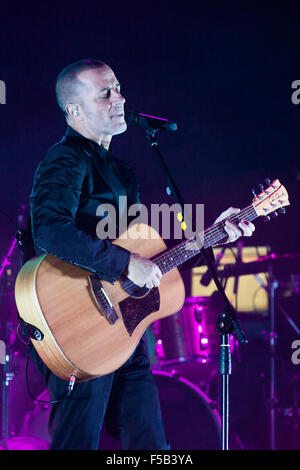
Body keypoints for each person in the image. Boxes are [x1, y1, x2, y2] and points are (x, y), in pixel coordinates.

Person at [27, 59, 255, 450]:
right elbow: (49, 229)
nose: (120, 98)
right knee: (76, 443)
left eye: (118, 88)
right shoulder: (65, 159)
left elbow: (150, 258)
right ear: (74, 110)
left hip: (125, 330)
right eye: (106, 93)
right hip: (78, 326)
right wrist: (123, 263)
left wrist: (214, 235)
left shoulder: (122, 173)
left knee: (150, 445)